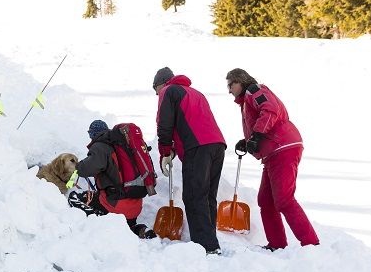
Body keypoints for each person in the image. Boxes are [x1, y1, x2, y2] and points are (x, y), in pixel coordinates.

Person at [226, 68, 319, 251]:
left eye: (231, 84)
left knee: (284, 199)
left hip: (282, 147)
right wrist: (248, 141)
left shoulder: (254, 90)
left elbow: (270, 110)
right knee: (266, 201)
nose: (229, 90)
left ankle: (311, 244)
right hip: (273, 153)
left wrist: (257, 136)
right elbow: (261, 121)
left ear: (240, 81)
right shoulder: (247, 100)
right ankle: (277, 245)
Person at [153, 67, 226, 254]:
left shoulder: (168, 91)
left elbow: (165, 123)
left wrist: (164, 151)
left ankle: (205, 247)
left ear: (162, 84)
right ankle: (211, 242)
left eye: (156, 91)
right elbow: (189, 123)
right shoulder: (196, 93)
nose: (157, 96)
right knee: (207, 196)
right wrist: (174, 151)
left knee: (194, 196)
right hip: (217, 145)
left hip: (198, 148)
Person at [68, 120, 156, 239]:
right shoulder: (123, 145)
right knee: (129, 225)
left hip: (115, 206)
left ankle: (97, 218)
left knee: (75, 197)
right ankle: (141, 230)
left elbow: (86, 168)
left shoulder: (100, 146)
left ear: (93, 134)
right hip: (135, 206)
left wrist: (77, 166)